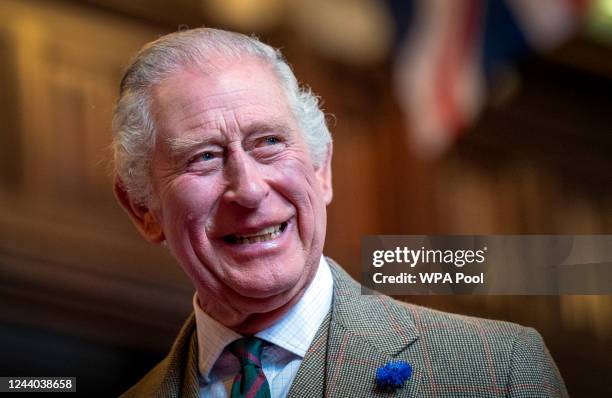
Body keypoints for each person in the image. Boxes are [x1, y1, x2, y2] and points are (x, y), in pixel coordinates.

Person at [112, 28, 568, 398]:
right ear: (143, 210)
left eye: (268, 142)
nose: (248, 189)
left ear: (322, 170)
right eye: (204, 157)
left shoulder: (496, 371)